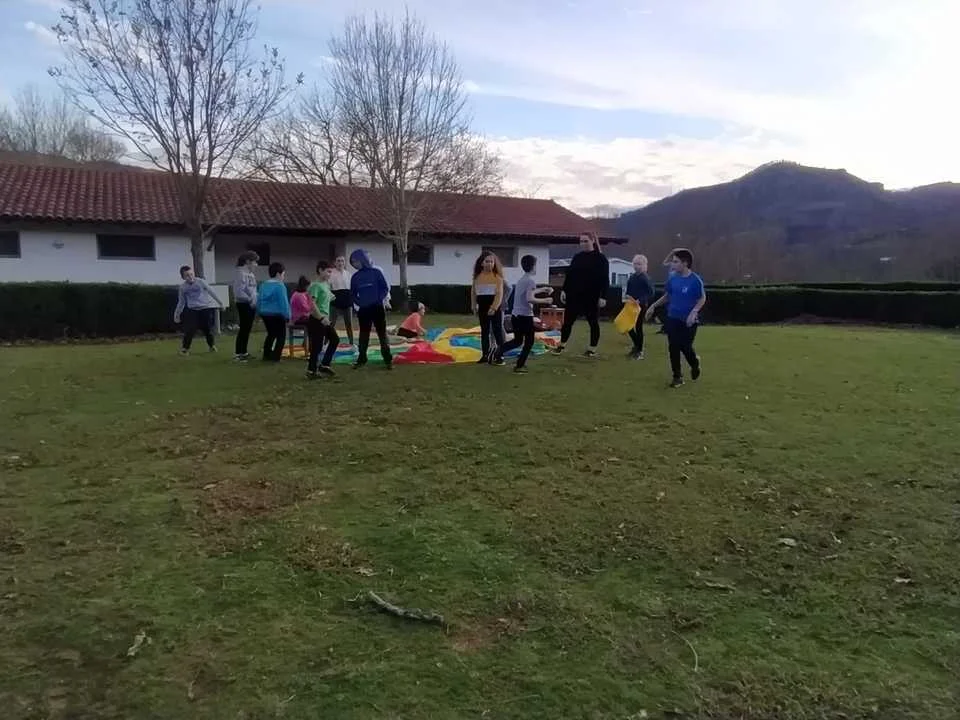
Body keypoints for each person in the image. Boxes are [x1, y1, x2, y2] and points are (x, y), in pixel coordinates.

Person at [645, 248, 705, 387]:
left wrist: (693, 312)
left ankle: (694, 363)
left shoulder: (695, 280)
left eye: (676, 262)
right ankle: (677, 377)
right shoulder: (672, 277)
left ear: (685, 263)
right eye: (673, 261)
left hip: (689, 321)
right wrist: (653, 306)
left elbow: (702, 298)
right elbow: (668, 296)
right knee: (673, 347)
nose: (673, 264)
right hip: (673, 318)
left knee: (685, 347)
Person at [552, 232, 609, 357]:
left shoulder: (601, 259)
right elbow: (570, 275)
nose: (583, 244)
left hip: (591, 295)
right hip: (574, 294)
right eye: (581, 241)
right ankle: (561, 345)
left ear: (592, 241)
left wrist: (603, 296)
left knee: (593, 322)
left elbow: (605, 279)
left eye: (585, 241)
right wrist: (564, 290)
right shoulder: (577, 257)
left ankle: (592, 349)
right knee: (567, 322)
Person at [498, 254, 553, 373]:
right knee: (529, 342)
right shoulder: (530, 281)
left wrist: (543, 289)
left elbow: (528, 293)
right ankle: (519, 366)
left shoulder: (522, 280)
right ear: (533, 266)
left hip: (516, 316)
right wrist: (546, 300)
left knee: (517, 341)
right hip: (525, 317)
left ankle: (497, 352)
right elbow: (529, 298)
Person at [349, 249, 393, 369]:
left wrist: (378, 299)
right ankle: (362, 359)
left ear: (362, 259)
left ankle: (388, 360)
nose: (354, 264)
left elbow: (385, 288)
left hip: (377, 307)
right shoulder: (355, 277)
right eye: (352, 262)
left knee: (382, 334)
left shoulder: (376, 272)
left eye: (355, 261)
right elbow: (352, 293)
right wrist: (359, 303)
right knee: (364, 335)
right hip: (364, 310)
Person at [173, 265, 224, 355]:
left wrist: (220, 303)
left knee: (207, 329)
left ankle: (211, 346)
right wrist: (177, 314)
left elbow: (211, 292)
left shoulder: (201, 282)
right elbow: (181, 302)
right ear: (183, 277)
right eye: (187, 275)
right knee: (190, 330)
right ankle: (185, 349)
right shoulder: (183, 288)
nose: (190, 277)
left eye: (191, 274)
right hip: (192, 310)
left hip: (204, 308)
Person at [305, 260, 340, 378]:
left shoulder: (326, 284)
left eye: (331, 272)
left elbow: (326, 297)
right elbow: (312, 304)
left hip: (325, 318)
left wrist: (331, 297)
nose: (330, 274)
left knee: (334, 339)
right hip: (317, 319)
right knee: (317, 346)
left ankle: (324, 364)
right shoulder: (315, 285)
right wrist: (320, 318)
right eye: (328, 271)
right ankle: (311, 370)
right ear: (320, 270)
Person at [471, 251, 506, 364]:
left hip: (495, 307)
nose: (490, 263)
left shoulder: (497, 278)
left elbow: (499, 294)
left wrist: (494, 308)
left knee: (497, 331)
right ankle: (485, 355)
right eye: (487, 261)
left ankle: (500, 355)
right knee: (484, 331)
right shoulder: (477, 278)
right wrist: (473, 306)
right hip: (482, 307)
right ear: (482, 263)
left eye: (492, 261)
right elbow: (473, 293)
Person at [257, 262, 291, 362]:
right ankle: (276, 357)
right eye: (283, 274)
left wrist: (259, 311)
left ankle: (266, 355)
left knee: (271, 334)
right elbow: (283, 302)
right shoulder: (280, 286)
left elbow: (259, 299)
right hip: (277, 314)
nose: (283, 277)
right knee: (281, 336)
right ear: (278, 274)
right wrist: (287, 315)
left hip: (265, 313)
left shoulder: (263, 285)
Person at [624, 254, 655, 359]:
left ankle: (639, 350)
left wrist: (640, 300)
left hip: (641, 306)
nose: (637, 266)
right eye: (635, 264)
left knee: (638, 327)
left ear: (644, 265)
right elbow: (628, 291)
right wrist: (628, 297)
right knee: (628, 327)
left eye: (639, 264)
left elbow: (651, 292)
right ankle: (637, 346)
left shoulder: (645, 278)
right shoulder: (632, 277)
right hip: (631, 305)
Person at [233, 250, 259, 361]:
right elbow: (239, 292)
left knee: (247, 328)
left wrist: (255, 300)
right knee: (244, 328)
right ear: (248, 261)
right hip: (243, 304)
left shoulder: (250, 274)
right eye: (254, 262)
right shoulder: (241, 273)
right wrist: (249, 299)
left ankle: (244, 351)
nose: (256, 265)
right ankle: (238, 353)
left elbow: (253, 290)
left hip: (251, 304)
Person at [328, 255, 354, 346]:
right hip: (335, 301)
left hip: (347, 301)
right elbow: (328, 287)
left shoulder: (348, 274)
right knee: (331, 323)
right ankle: (326, 343)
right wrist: (331, 297)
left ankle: (351, 343)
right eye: (338, 261)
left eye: (342, 261)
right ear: (335, 263)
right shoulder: (331, 274)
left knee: (349, 323)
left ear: (345, 263)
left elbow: (351, 288)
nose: (340, 263)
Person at [655, 249, 679, 334]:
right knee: (665, 310)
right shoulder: (671, 265)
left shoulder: (679, 268)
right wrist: (670, 253)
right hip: (667, 291)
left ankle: (669, 328)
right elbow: (664, 264)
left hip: (674, 292)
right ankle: (665, 328)